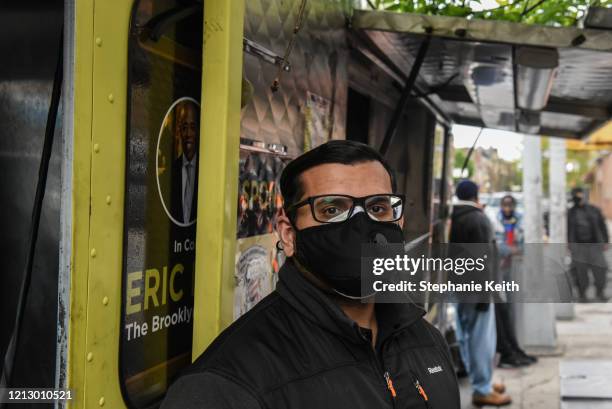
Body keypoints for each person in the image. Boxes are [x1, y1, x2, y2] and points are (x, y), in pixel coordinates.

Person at [161, 140, 461, 408]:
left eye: (378, 207)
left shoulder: (427, 341)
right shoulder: (225, 385)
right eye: (332, 210)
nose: (362, 225)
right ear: (288, 234)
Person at [450, 180, 511, 407]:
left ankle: (480, 380)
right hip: (477, 290)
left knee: (466, 337)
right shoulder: (477, 218)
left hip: (458, 287)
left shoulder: (452, 216)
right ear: (476, 195)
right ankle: (482, 388)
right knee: (481, 340)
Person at [491, 195, 537, 368]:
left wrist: (512, 250)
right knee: (504, 309)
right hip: (500, 270)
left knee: (514, 308)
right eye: (505, 204)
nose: (507, 208)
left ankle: (515, 347)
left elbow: (525, 245)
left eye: (510, 205)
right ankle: (508, 350)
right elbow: (497, 245)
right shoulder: (495, 220)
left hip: (515, 270)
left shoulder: (521, 220)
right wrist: (512, 250)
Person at [567, 187, 609, 302]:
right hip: (578, 247)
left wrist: (605, 241)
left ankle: (600, 292)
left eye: (581, 195)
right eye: (577, 196)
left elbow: (602, 226)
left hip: (594, 246)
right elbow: (565, 229)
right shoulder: (570, 213)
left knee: (601, 269)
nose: (579, 198)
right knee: (580, 272)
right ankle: (582, 294)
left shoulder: (594, 210)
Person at [171, 101, 199, 224]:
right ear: (179, 132)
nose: (188, 134)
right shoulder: (171, 172)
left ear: (198, 131)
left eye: (192, 128)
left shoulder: (206, 172)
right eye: (184, 128)